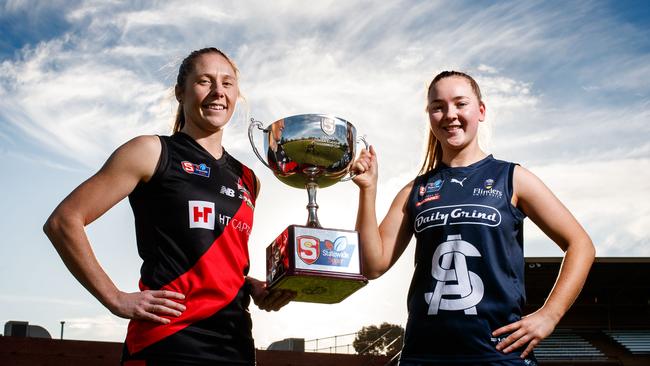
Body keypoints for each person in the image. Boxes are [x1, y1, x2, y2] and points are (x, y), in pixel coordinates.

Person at [44, 47, 294, 365]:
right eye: (205, 81)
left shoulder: (248, 179)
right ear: (180, 92)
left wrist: (251, 285)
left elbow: (213, 259)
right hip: (167, 341)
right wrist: (115, 298)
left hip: (235, 344)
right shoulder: (151, 152)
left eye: (227, 83)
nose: (218, 92)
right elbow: (64, 220)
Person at [352, 71, 595, 365]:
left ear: (480, 111)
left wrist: (549, 315)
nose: (449, 114)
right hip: (424, 356)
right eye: (438, 106)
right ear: (429, 115)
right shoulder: (415, 191)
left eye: (460, 104)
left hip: (498, 355)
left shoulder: (513, 178)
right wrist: (368, 190)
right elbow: (373, 264)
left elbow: (580, 243)